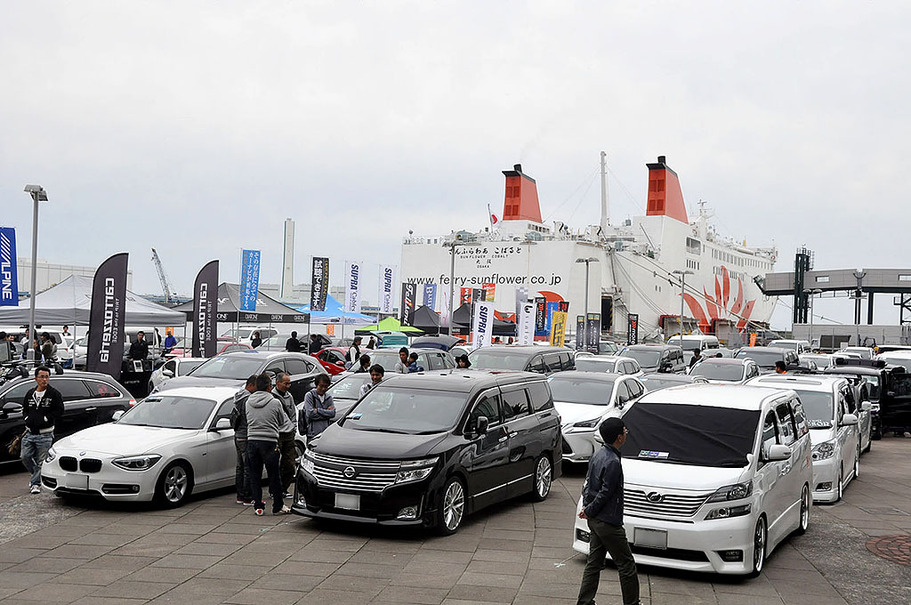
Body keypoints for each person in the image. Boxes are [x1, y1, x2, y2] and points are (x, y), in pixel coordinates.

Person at [576, 418, 639, 605]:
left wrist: (587, 508)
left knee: (594, 563)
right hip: (608, 521)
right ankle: (632, 602)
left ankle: (585, 601)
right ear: (619, 437)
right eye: (625, 431)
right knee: (626, 564)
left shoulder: (598, 454)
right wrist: (591, 509)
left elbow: (588, 484)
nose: (626, 433)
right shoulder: (613, 461)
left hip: (595, 520)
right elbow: (605, 493)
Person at [245, 373, 290, 516]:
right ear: (269, 387)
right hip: (270, 442)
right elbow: (282, 422)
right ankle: (278, 505)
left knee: (255, 475)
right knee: (274, 475)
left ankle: (258, 505)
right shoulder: (275, 402)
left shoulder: (248, 402)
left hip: (252, 441)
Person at [21, 366, 64, 494]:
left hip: (45, 433)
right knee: (25, 457)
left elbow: (59, 410)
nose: (44, 380)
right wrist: (27, 418)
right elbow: (25, 409)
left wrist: (46, 418)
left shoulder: (54, 394)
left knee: (42, 461)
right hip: (29, 432)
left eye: (46, 377)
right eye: (42, 377)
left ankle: (35, 483)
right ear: (36, 378)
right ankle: (36, 475)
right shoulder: (30, 393)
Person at [231, 375, 257, 505]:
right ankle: (247, 497)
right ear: (251, 385)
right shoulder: (248, 399)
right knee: (248, 467)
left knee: (239, 467)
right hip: (245, 435)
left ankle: (240, 496)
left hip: (237, 435)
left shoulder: (238, 396)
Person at [272, 372, 298, 497]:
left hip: (289, 433)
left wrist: (293, 427)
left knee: (289, 462)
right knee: (274, 463)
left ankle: (283, 488)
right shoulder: (272, 397)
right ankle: (275, 490)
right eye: (285, 383)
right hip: (277, 434)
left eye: (289, 383)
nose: (288, 386)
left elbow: (293, 413)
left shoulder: (289, 396)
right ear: (278, 383)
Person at [302, 374, 335, 440]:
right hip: (313, 434)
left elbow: (332, 413)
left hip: (325, 432)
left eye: (326, 386)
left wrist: (318, 410)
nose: (323, 389)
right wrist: (326, 413)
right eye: (321, 386)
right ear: (316, 385)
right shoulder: (309, 396)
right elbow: (310, 414)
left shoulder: (328, 397)